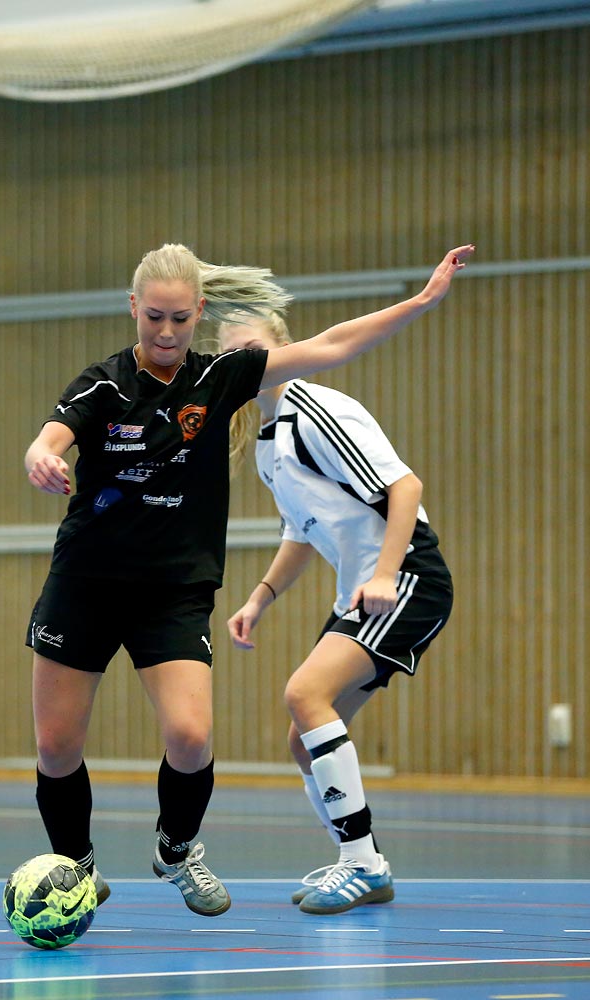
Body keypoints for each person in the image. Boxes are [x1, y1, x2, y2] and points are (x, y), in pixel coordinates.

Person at [24, 241, 473, 917]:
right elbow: (53, 434)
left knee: (204, 732)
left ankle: (190, 852)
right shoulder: (107, 386)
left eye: (180, 318)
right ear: (133, 311)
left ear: (196, 311)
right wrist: (40, 456)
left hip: (183, 592)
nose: (167, 332)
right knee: (58, 746)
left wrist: (422, 300)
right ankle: (78, 869)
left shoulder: (228, 381)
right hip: (85, 583)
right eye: (154, 319)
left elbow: (336, 346)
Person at [219, 308, 455, 915]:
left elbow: (405, 487)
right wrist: (260, 597)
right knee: (303, 742)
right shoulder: (269, 443)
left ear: (283, 348)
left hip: (405, 578)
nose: (248, 364)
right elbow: (301, 534)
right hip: (361, 590)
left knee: (304, 693)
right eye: (233, 356)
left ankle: (362, 865)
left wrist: (382, 575)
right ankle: (362, 859)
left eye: (255, 349)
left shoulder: (315, 409)